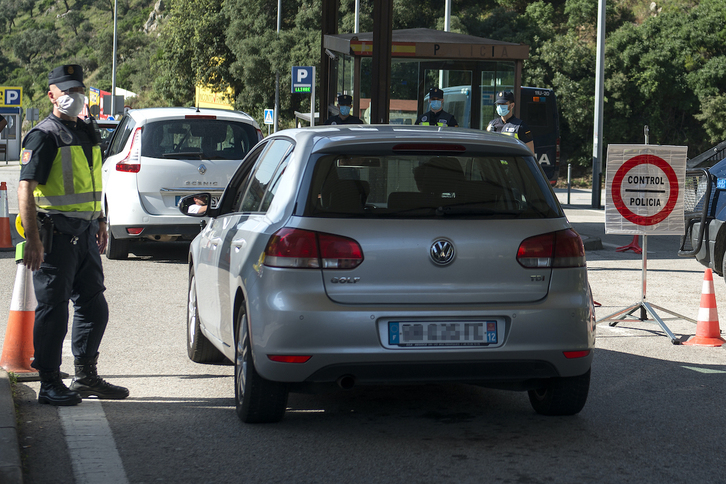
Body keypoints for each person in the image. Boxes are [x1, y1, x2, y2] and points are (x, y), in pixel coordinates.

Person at [17, 65, 129, 406]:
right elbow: (26, 188)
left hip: (84, 232)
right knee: (53, 311)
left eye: (77, 89)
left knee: (94, 307)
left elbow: (93, 182)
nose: (72, 96)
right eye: (65, 90)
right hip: (54, 234)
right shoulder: (43, 135)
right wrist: (33, 239)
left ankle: (85, 376)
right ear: (51, 94)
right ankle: (49, 382)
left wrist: (101, 221)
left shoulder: (86, 130)